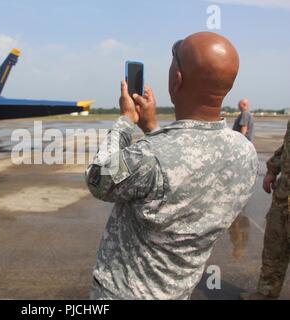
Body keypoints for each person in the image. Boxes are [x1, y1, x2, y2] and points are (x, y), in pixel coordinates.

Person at [85, 32, 258, 300]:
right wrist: (153, 129)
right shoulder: (245, 153)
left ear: (176, 79)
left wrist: (125, 121)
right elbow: (184, 164)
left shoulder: (152, 157)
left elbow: (99, 178)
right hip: (179, 291)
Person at [241, 120, 289, 300]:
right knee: (274, 246)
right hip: (284, 197)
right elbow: (287, 145)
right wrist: (273, 169)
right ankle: (266, 293)